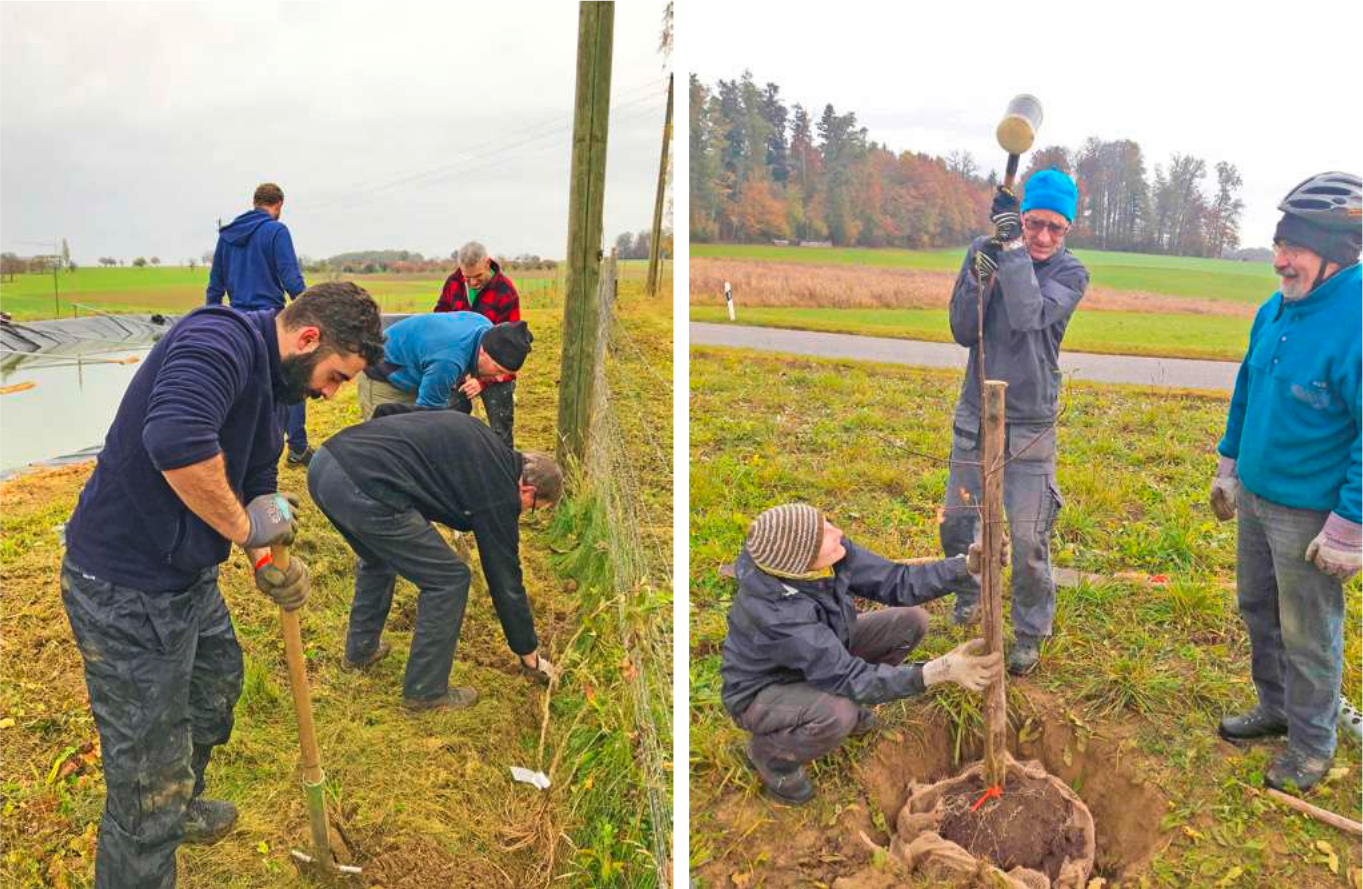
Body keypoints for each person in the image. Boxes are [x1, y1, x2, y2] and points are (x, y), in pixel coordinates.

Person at [60, 282, 385, 888]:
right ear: (308, 338)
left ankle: (180, 802)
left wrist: (266, 559)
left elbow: (259, 477)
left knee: (215, 684)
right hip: (123, 586)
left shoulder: (278, 383)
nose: (332, 393)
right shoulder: (217, 339)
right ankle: (157, 816)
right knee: (143, 784)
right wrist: (242, 531)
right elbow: (176, 444)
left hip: (184, 574)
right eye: (337, 376)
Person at [1211, 172, 1361, 793]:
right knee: (1258, 609)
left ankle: (1312, 743)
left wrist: (1349, 526)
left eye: (1293, 248)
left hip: (1310, 516)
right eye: (1278, 245)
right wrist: (1228, 465)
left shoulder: (1355, 320)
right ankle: (1275, 708)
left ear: (1336, 254)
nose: (1280, 260)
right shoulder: (1276, 308)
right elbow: (1248, 387)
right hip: (1258, 496)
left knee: (1308, 632)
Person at [721, 504, 1005, 804]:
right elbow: (849, 676)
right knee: (837, 713)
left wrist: (965, 568)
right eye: (825, 536)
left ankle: (841, 701)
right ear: (802, 563)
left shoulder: (826, 556)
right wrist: (939, 671)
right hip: (765, 690)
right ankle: (769, 755)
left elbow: (896, 580)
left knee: (910, 622)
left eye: (827, 523)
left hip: (823, 652)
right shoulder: (777, 615)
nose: (837, 533)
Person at [307, 407, 563, 709]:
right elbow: (505, 579)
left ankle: (361, 651)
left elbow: (390, 411)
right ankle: (425, 691)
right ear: (528, 489)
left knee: (378, 558)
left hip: (327, 464)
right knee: (449, 579)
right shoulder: (499, 490)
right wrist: (529, 654)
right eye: (532, 508)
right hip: (363, 487)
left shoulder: (483, 438)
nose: (522, 514)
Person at [939, 168, 1090, 675]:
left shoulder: (1071, 274)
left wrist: (1012, 251)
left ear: (1067, 229)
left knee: (1027, 538)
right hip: (975, 410)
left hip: (1030, 421)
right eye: (1032, 224)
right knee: (959, 522)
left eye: (1055, 228)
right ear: (1020, 218)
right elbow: (963, 329)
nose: (1043, 237)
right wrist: (976, 279)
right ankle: (968, 593)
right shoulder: (988, 248)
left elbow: (1028, 315)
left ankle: (1029, 629)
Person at [205, 182, 314, 465]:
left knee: (244, 387)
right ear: (278, 205)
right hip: (271, 321)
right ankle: (298, 447)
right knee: (291, 381)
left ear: (255, 202)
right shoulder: (276, 230)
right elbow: (291, 280)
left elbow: (215, 288)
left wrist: (210, 326)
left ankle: (239, 451)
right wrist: (311, 313)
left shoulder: (227, 236)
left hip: (237, 322)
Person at [356, 312, 531, 422]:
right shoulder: (448, 362)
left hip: (420, 369)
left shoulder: (483, 326)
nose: (500, 378)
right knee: (386, 439)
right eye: (498, 370)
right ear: (484, 352)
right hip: (384, 371)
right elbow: (426, 418)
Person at [434, 241, 522, 448]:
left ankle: (503, 473)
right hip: (459, 369)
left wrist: (482, 380)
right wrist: (457, 367)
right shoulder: (453, 283)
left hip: (495, 374)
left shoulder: (506, 292)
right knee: (450, 425)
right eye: (467, 277)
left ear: (487, 263)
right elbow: (440, 320)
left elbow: (511, 349)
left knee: (500, 432)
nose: (472, 283)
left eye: (478, 277)